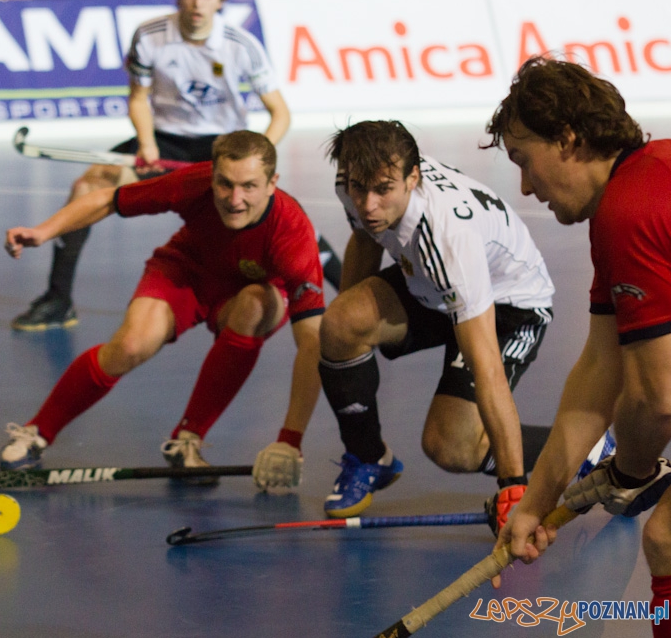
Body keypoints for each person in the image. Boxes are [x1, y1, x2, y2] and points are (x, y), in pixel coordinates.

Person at [253, 120, 592, 536]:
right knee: (339, 324)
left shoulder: (450, 239)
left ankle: (587, 448)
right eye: (360, 190)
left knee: (451, 448)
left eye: (383, 190)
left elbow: (487, 368)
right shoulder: (355, 181)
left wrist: (513, 488)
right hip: (429, 283)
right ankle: (367, 457)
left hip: (507, 303)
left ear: (413, 178)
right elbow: (363, 236)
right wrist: (348, 339)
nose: (369, 205)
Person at [0, 130, 325, 479]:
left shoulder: (292, 233)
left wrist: (290, 439)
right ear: (211, 174)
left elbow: (312, 345)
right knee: (129, 345)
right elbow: (110, 199)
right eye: (225, 184)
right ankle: (37, 432)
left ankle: (188, 438)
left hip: (250, 292)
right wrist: (43, 232)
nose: (234, 198)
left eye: (249, 186)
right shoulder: (193, 183)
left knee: (255, 305)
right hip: (187, 270)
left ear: (272, 183)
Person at [11, 0, 305, 332]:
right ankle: (57, 299)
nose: (197, 3)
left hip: (225, 147)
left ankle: (329, 285)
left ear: (220, 0)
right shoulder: (149, 35)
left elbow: (280, 113)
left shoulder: (241, 45)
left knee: (282, 216)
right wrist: (147, 144)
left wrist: (253, 161)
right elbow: (138, 98)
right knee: (87, 186)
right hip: (164, 140)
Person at [487, 57, 671, 637]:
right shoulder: (640, 181)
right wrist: (534, 504)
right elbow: (599, 370)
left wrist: (631, 468)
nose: (523, 186)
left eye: (523, 160)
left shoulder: (629, 210)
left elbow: (656, 397)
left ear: (567, 139)